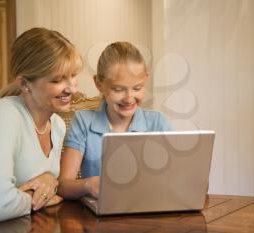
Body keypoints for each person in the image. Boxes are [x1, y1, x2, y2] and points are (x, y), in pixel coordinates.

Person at [0, 27, 82, 223]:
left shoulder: (56, 125)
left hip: (18, 223)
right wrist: (36, 198)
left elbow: (42, 184)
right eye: (57, 79)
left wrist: (50, 179)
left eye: (73, 75)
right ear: (24, 84)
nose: (72, 88)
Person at [58, 41, 171, 199]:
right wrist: (88, 184)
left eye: (137, 88)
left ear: (146, 80)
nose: (129, 98)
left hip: (149, 209)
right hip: (98, 215)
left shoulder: (158, 122)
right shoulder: (84, 122)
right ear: (99, 84)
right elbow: (63, 185)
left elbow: (176, 177)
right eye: (118, 89)